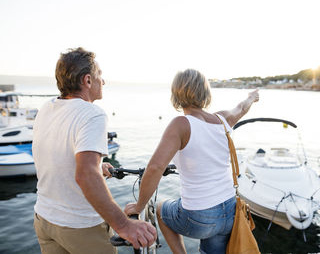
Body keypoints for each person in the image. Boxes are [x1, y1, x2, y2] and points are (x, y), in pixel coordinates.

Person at [32, 47, 157, 254]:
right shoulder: (92, 114)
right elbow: (85, 175)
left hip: (44, 220)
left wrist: (97, 167)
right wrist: (124, 226)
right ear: (88, 81)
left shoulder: (46, 108)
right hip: (81, 227)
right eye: (100, 75)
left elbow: (57, 159)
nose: (104, 81)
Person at [124, 69, 259, 253]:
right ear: (205, 92)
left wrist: (139, 205)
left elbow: (155, 167)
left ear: (176, 94)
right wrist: (251, 97)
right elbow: (242, 108)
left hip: (201, 216)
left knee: (162, 209)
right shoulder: (222, 119)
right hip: (230, 211)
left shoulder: (181, 124)